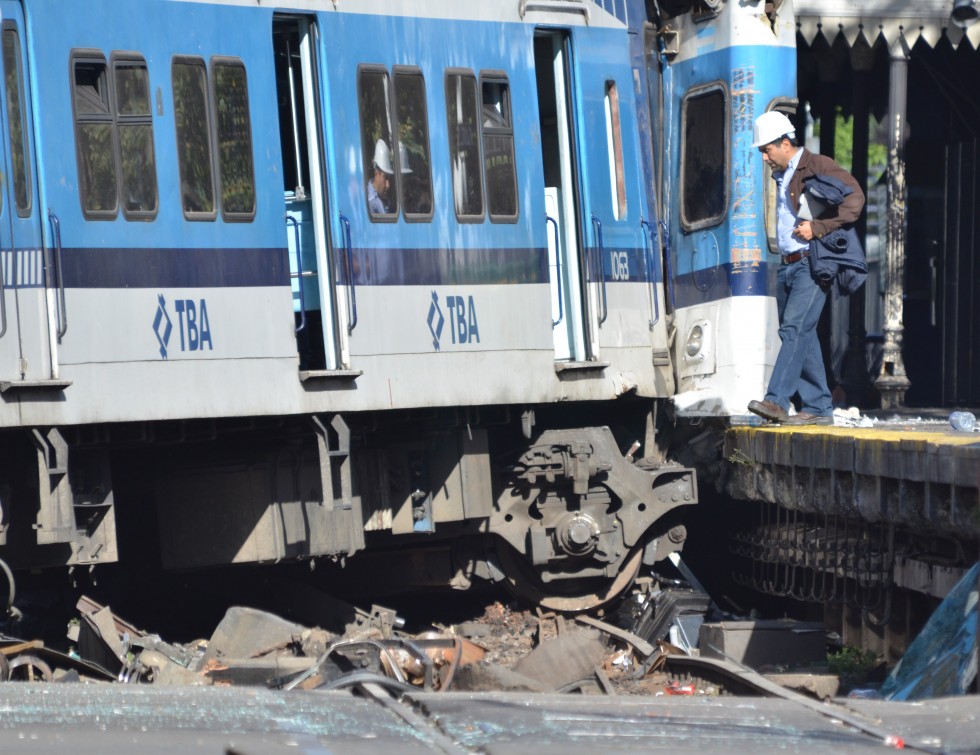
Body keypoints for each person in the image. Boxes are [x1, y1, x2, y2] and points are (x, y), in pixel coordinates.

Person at [747, 111, 865, 426]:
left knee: (794, 330)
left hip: (811, 264)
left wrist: (820, 227)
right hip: (787, 265)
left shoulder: (818, 165)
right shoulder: (782, 174)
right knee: (804, 333)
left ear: (785, 143)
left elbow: (855, 199)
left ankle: (776, 401)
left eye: (766, 149)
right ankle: (818, 406)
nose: (764, 157)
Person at [367, 139, 394, 215]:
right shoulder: (369, 200)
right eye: (385, 178)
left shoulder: (387, 200)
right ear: (376, 173)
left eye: (389, 179)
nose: (388, 185)